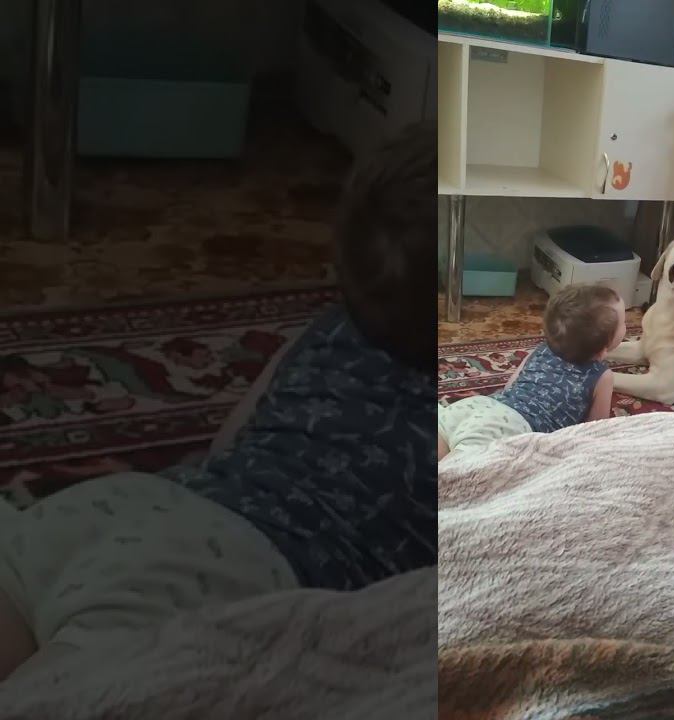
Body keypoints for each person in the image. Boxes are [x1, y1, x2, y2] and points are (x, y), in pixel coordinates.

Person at [0, 122, 438, 684]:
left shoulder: (327, 331)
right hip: (233, 575)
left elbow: (229, 439)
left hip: (137, 505)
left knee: (20, 582)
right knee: (72, 693)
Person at [438, 283, 626, 460]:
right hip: (514, 427)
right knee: (459, 471)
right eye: (623, 323)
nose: (625, 326)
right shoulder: (602, 376)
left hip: (483, 405)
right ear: (603, 351)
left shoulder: (542, 349)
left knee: (441, 435)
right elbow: (595, 429)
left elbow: (511, 385)